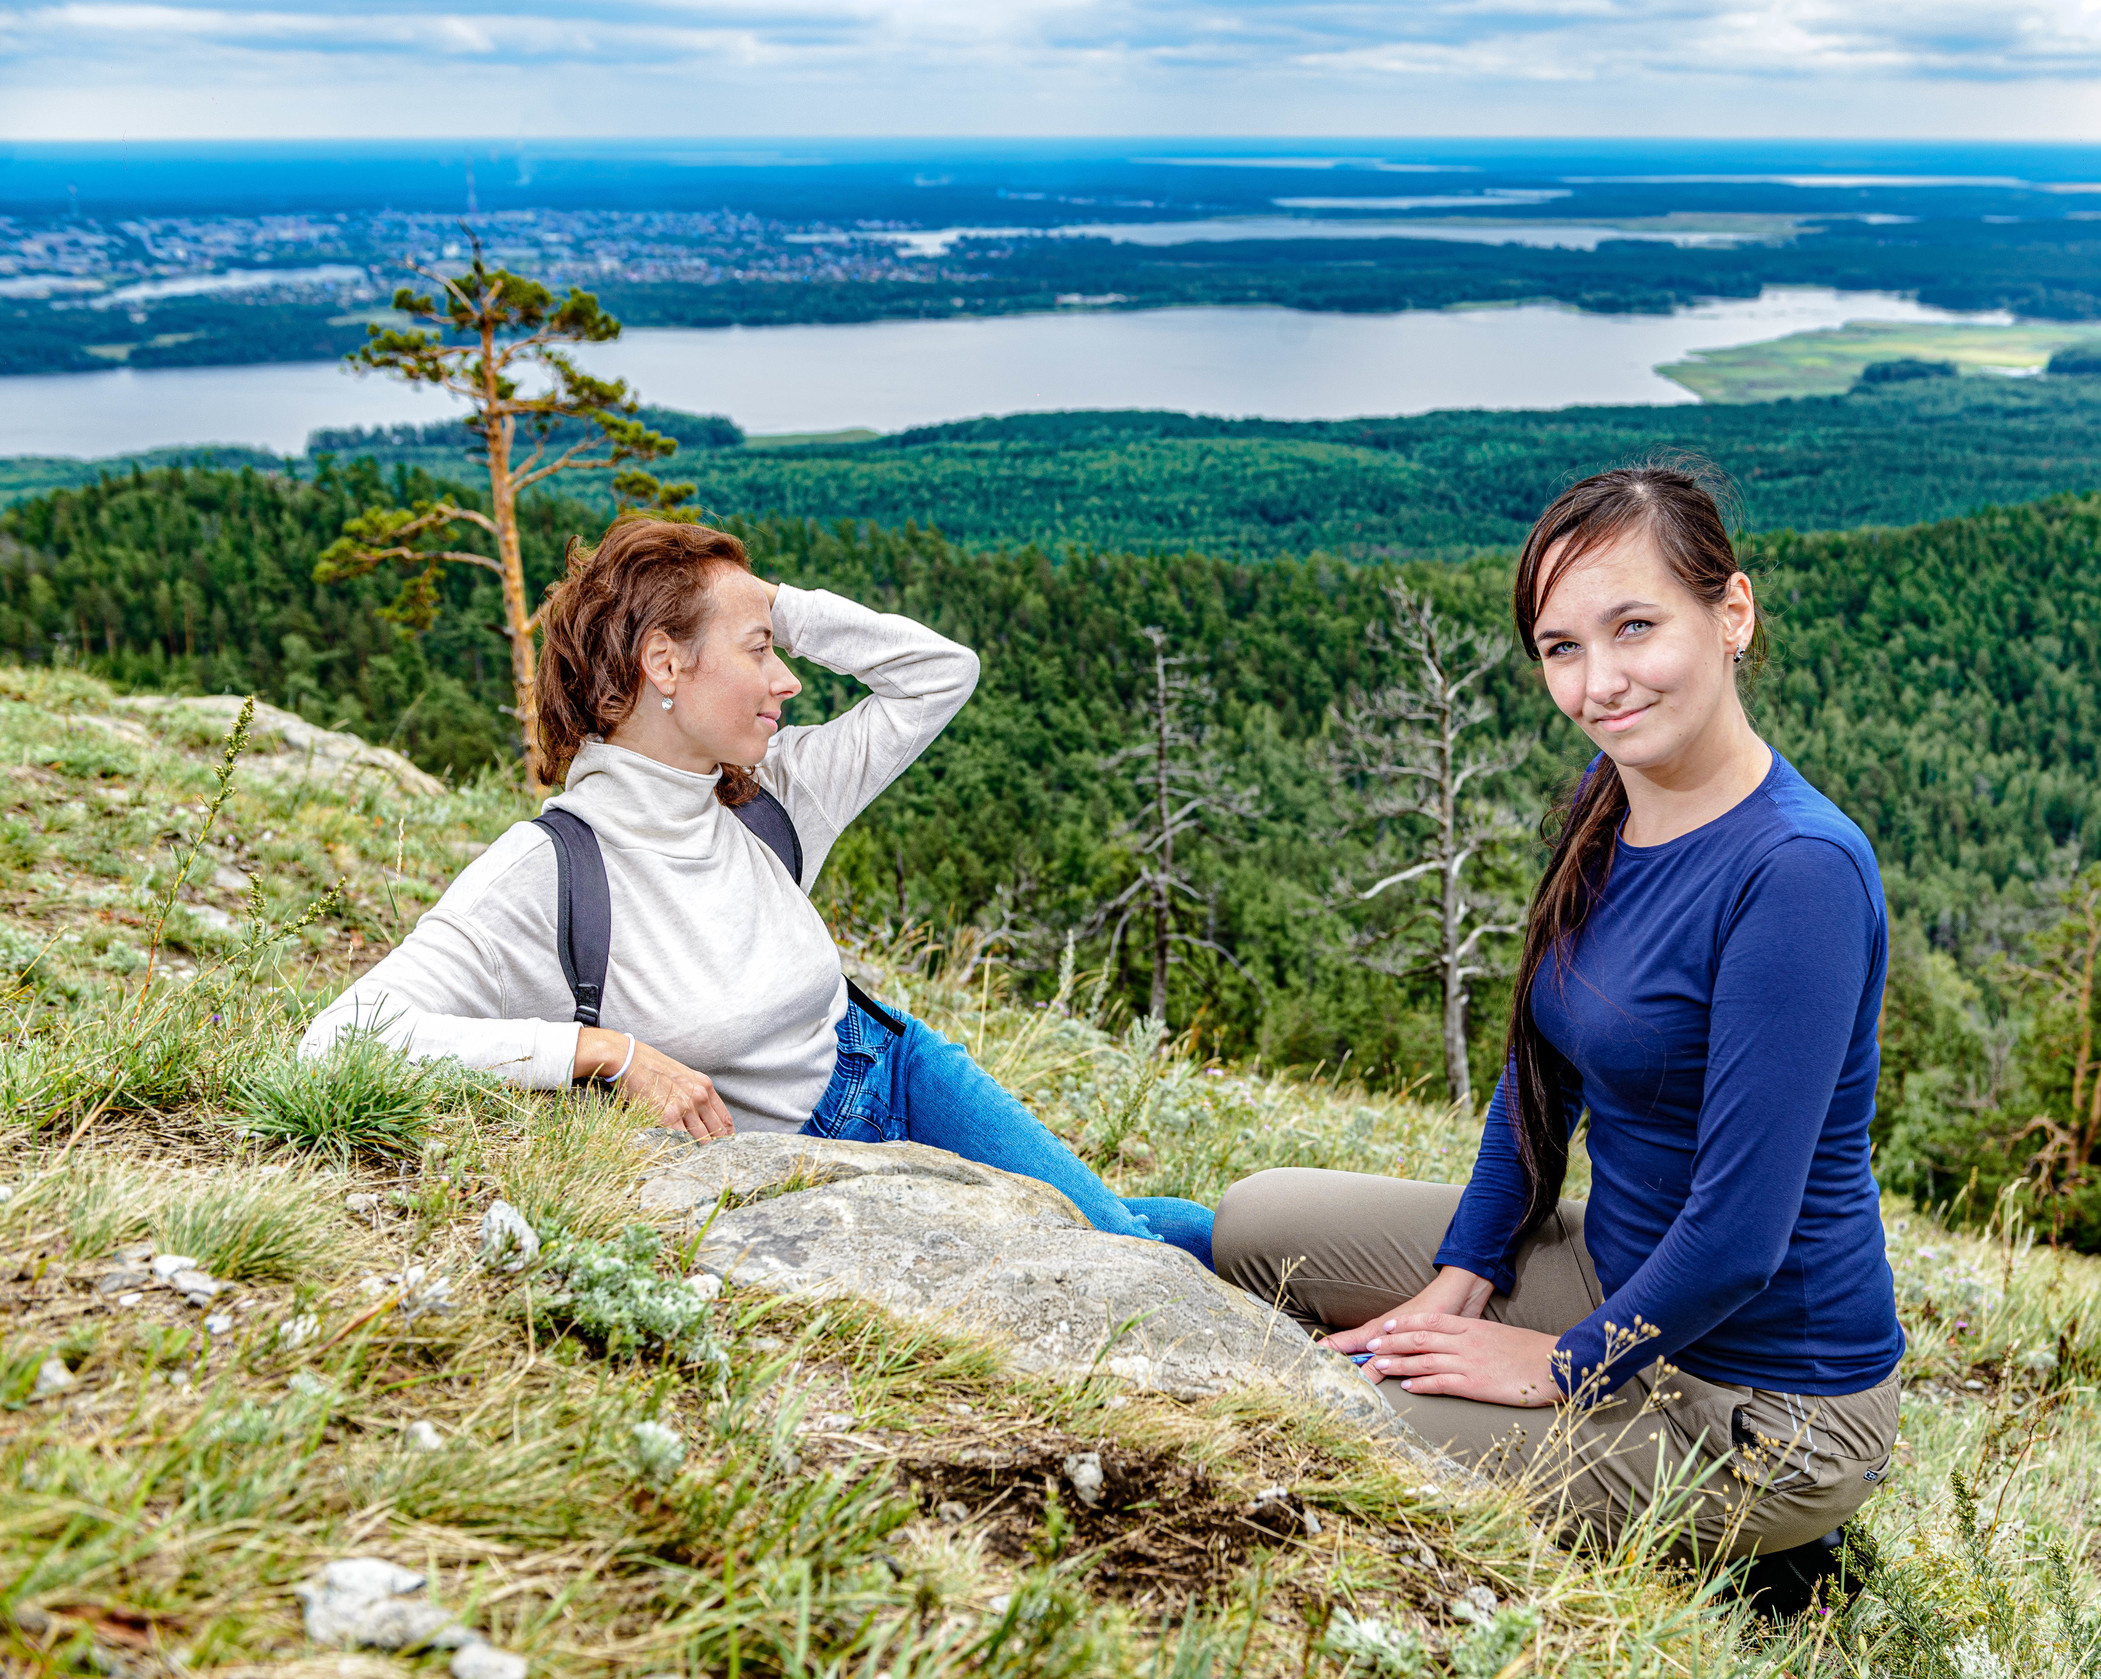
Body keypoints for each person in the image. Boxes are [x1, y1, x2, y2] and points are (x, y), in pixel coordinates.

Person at [1213, 465, 1904, 1579]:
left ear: (1731, 612)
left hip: (1764, 1403)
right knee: (1255, 1222)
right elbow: (1541, 1069)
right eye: (1560, 646)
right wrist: (1464, 1270)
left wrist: (1555, 1364)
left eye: (1635, 626)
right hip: (1620, 1268)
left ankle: (1784, 1550)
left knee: (1314, 1414)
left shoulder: (1799, 873)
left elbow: (1739, 1236)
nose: (1601, 681)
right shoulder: (1607, 794)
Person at [300, 517, 1212, 1263]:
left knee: (1126, 1246)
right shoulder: (548, 870)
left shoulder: (771, 795)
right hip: (808, 1163)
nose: (787, 679)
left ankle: (1308, 1270)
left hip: (900, 1071)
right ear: (664, 665)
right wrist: (600, 1052)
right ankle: (1298, 1268)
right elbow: (336, 1043)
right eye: (761, 650)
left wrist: (763, 601)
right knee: (1123, 1245)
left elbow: (941, 673)